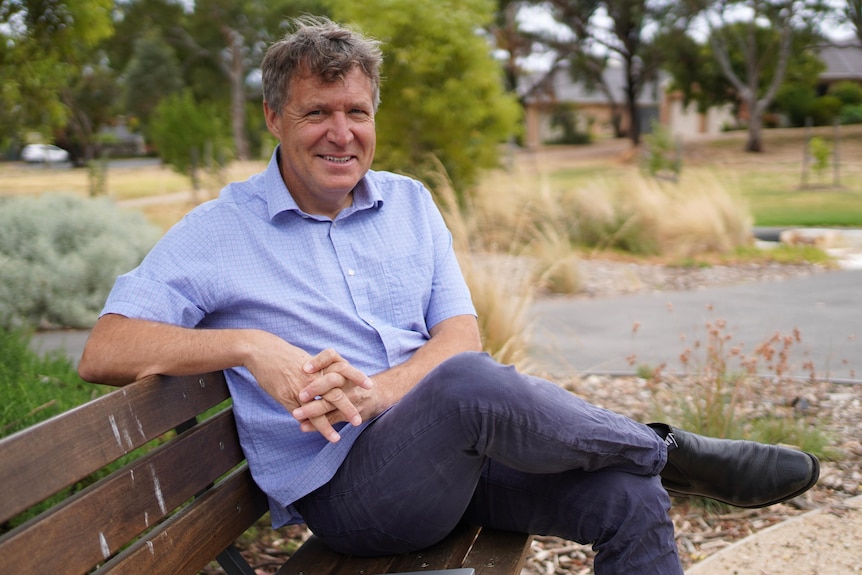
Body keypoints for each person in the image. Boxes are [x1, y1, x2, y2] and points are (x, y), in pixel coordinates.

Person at [78, 16, 819, 574]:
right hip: (355, 497)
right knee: (467, 386)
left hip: (456, 463)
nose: (341, 133)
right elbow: (103, 349)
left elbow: (459, 331)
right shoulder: (218, 231)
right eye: (317, 113)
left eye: (357, 112)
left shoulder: (409, 201)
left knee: (630, 499)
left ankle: (657, 465)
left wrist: (383, 391)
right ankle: (670, 448)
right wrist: (249, 345)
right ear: (275, 118)